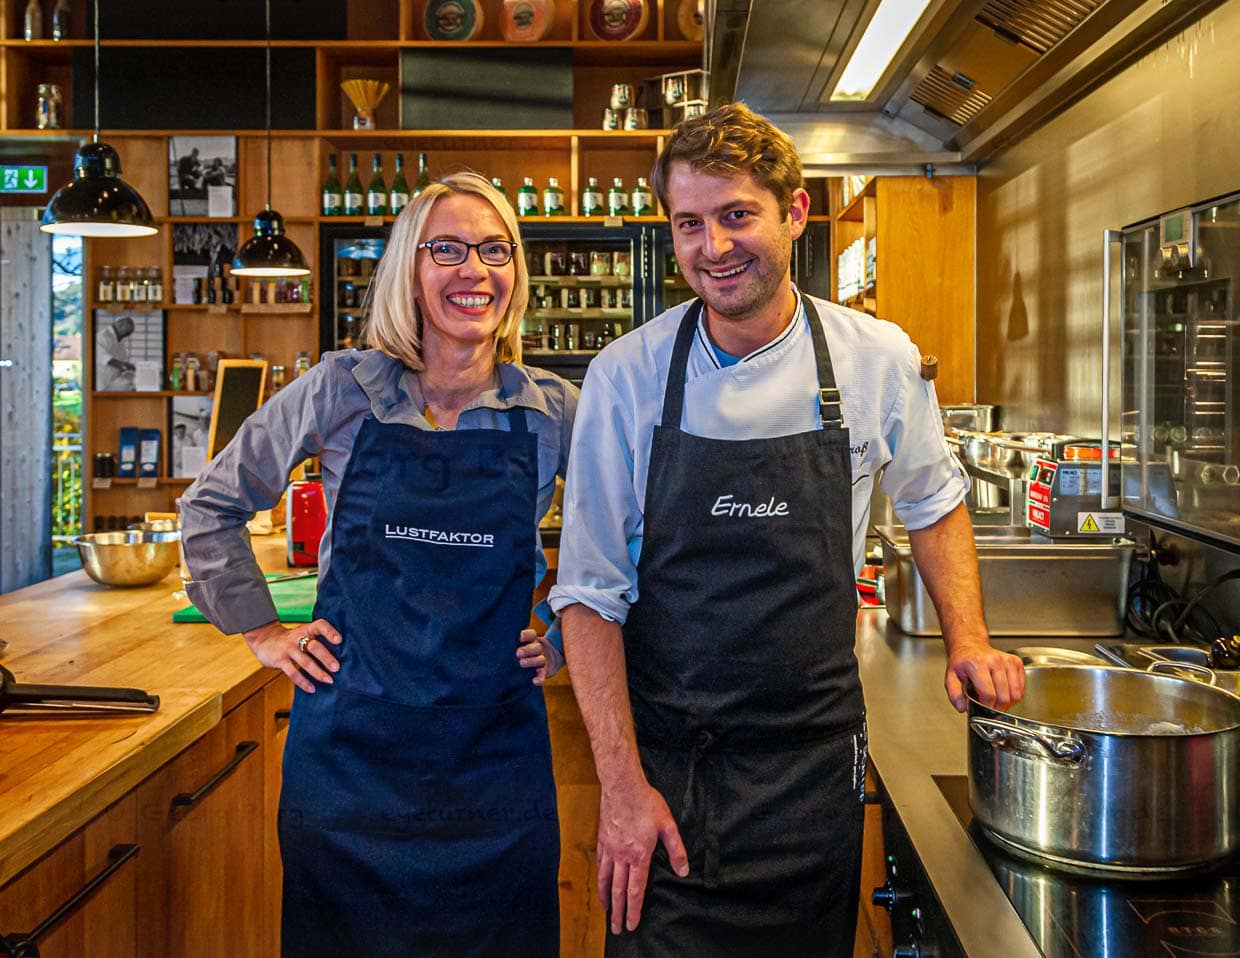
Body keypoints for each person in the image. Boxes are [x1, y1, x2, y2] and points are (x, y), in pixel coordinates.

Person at [548, 103, 1027, 956]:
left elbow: (934, 499)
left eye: (737, 215)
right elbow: (587, 593)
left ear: (795, 213)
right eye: (689, 224)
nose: (713, 246)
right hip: (672, 770)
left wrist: (969, 638)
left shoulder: (874, 358)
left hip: (810, 770)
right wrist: (620, 787)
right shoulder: (627, 375)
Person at [179, 171, 577, 957]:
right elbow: (210, 505)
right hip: (352, 763)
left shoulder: (555, 410)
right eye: (449, 249)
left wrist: (561, 629)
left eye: (496, 249)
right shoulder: (340, 391)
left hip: (494, 765)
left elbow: (626, 543)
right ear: (409, 269)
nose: (476, 270)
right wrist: (261, 630)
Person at [95, 314, 135, 390]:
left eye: (129, 333)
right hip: (101, 380)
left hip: (114, 380)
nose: (128, 334)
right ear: (119, 324)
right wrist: (122, 365)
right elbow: (102, 357)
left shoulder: (120, 338)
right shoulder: (102, 336)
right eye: (127, 332)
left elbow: (123, 358)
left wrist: (129, 367)